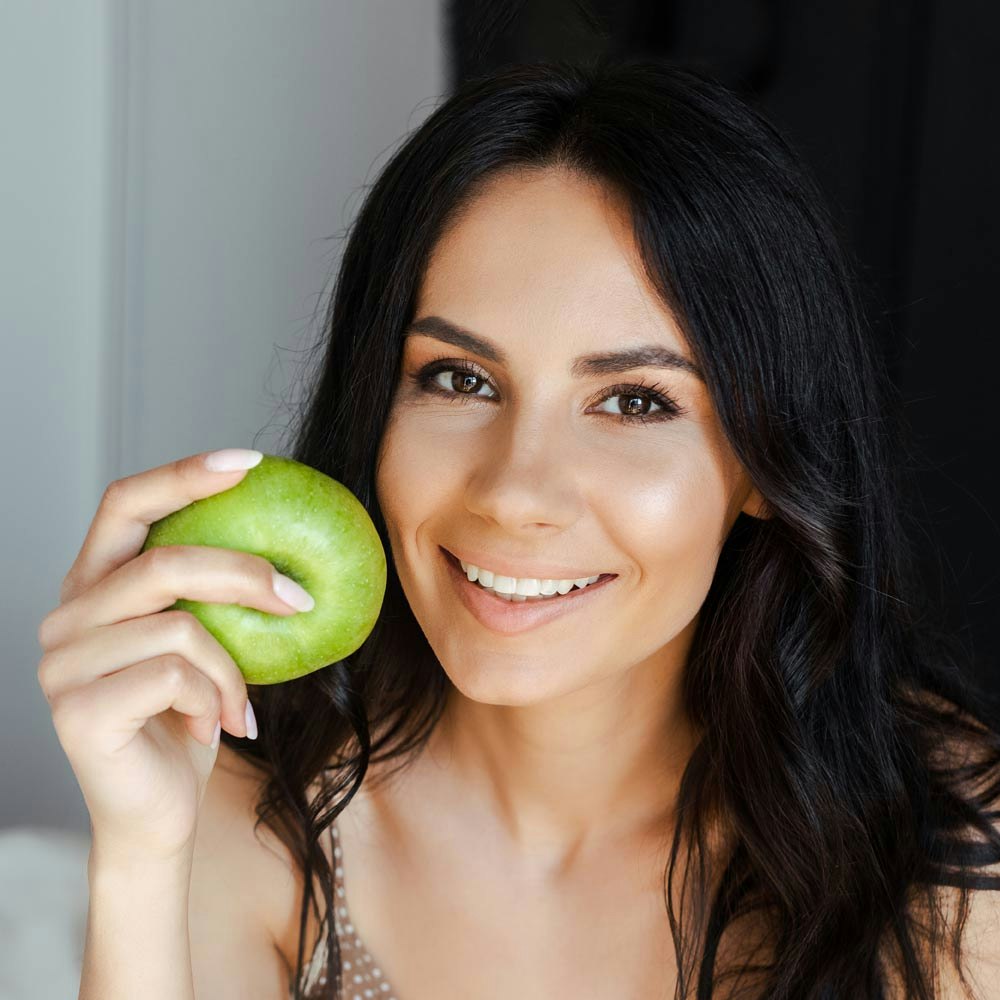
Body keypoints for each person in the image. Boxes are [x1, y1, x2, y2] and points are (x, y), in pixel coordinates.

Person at [38, 56, 1000, 999]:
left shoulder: (939, 843)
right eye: (460, 379)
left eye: (632, 402)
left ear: (762, 462)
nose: (515, 492)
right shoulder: (258, 816)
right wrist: (138, 856)